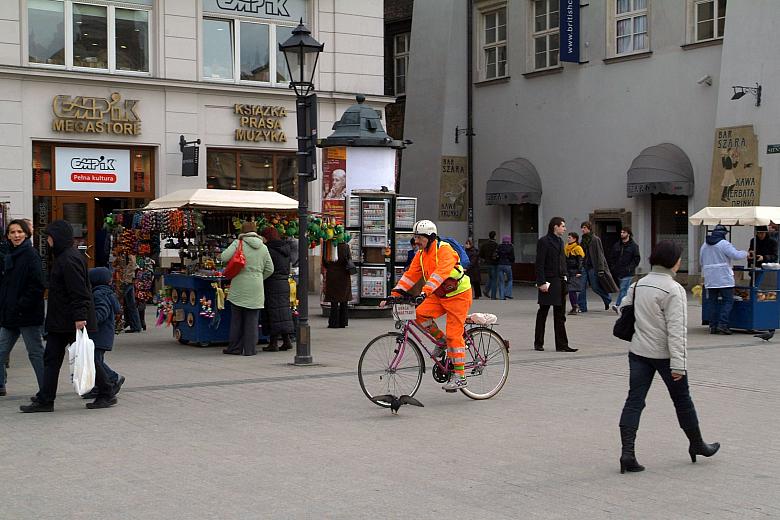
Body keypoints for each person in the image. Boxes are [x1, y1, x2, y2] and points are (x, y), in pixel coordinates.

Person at [617, 240, 720, 474]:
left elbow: (623, 309)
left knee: (634, 401)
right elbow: (676, 330)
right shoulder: (673, 289)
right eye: (679, 258)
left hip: (639, 352)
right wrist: (679, 365)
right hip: (665, 356)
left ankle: (627, 453)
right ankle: (697, 444)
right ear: (673, 261)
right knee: (682, 400)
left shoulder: (639, 284)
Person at [21, 220, 116, 412]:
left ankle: (106, 392)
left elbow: (79, 291)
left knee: (84, 357)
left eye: (49, 237)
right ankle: (46, 399)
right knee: (53, 359)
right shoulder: (65, 256)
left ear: (57, 238)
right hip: (63, 320)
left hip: (72, 320)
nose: (47, 241)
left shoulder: (68, 259)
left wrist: (80, 317)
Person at [386, 219, 472, 391]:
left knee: (454, 334)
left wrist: (425, 292)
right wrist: (394, 294)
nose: (416, 241)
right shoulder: (420, 255)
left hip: (458, 296)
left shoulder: (445, 250)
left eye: (420, 238)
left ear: (431, 237)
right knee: (418, 313)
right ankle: (441, 340)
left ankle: (460, 376)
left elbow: (440, 274)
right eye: (415, 237)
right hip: (438, 295)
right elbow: (410, 275)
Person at [0, 220, 45, 397]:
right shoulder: (10, 255)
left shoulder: (31, 255)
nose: (16, 235)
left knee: (35, 353)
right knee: (1, 351)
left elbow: (37, 286)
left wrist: (20, 305)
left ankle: (46, 391)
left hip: (27, 315)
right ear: (8, 235)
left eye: (19, 231)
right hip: (10, 315)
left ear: (26, 233)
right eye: (12, 232)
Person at [221, 221, 274, 356]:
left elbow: (224, 257)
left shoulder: (238, 243)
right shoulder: (263, 247)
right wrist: (259, 277)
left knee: (237, 320)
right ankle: (250, 349)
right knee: (252, 321)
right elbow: (270, 269)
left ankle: (235, 348)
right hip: (256, 287)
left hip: (239, 285)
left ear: (243, 232)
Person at [534, 217, 577, 353]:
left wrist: (566, 277)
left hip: (560, 281)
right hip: (548, 282)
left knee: (560, 314)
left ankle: (562, 345)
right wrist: (541, 282)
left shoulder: (560, 241)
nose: (565, 229)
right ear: (555, 227)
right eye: (562, 226)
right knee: (543, 312)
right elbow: (539, 263)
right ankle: (538, 342)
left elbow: (562, 261)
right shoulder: (544, 241)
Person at [82, 267, 125, 399]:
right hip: (103, 334)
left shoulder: (98, 294)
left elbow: (102, 311)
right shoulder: (106, 292)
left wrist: (90, 320)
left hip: (99, 334)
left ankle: (113, 378)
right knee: (95, 360)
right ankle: (99, 385)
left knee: (95, 361)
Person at [700, 224, 747, 335]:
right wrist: (746, 253)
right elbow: (736, 255)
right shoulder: (724, 244)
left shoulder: (704, 245)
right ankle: (723, 325)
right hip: (724, 278)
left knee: (712, 302)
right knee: (728, 301)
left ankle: (713, 326)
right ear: (723, 234)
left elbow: (701, 261)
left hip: (710, 278)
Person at [260, 226, 295, 351]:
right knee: (283, 312)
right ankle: (286, 340)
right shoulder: (285, 249)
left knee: (273, 313)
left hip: (271, 283)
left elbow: (267, 267)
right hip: (284, 283)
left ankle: (273, 343)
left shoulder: (269, 250)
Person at [577, 222, 613, 311]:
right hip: (584, 266)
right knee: (581, 287)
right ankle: (582, 307)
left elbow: (600, 254)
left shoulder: (595, 239)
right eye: (582, 228)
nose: (582, 229)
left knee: (595, 287)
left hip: (593, 267)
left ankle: (607, 299)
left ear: (589, 228)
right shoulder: (583, 240)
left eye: (584, 228)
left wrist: (601, 268)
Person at [609, 226, 641, 313]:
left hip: (628, 272)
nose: (622, 234)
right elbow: (612, 257)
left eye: (624, 232)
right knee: (625, 289)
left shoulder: (634, 246)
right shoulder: (617, 245)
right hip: (618, 271)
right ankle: (627, 306)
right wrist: (613, 267)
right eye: (621, 232)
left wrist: (630, 268)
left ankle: (618, 305)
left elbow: (636, 259)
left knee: (623, 288)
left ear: (628, 234)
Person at [323, 241, 353, 328]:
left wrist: (331, 267)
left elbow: (324, 261)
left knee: (334, 301)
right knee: (344, 300)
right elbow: (349, 259)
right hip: (344, 275)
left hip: (332, 274)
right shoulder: (345, 246)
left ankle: (333, 322)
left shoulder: (328, 246)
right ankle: (343, 321)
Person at [564, 232, 585, 315]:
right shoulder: (566, 247)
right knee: (569, 290)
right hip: (568, 271)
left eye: (570, 237)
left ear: (574, 239)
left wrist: (579, 271)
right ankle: (574, 306)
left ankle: (575, 307)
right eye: (568, 237)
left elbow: (580, 260)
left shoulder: (577, 248)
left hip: (574, 271)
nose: (568, 239)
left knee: (571, 290)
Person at [120, 254, 142, 333]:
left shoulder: (128, 252)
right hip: (129, 279)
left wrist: (125, 278)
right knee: (131, 304)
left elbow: (131, 265)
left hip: (126, 280)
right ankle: (136, 326)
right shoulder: (130, 253)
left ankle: (117, 324)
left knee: (119, 300)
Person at [479, 231, 499, 299]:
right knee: (494, 280)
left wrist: (486, 258)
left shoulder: (484, 244)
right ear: (495, 236)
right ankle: (493, 296)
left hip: (487, 263)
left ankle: (486, 290)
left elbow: (481, 254)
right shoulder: (496, 245)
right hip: (494, 264)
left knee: (490, 277)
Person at [496, 235, 515, 299]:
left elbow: (497, 255)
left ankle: (502, 297)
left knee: (501, 281)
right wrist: (512, 262)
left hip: (500, 265)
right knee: (510, 280)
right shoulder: (511, 247)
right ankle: (507, 293)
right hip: (507, 265)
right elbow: (512, 257)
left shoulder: (499, 246)